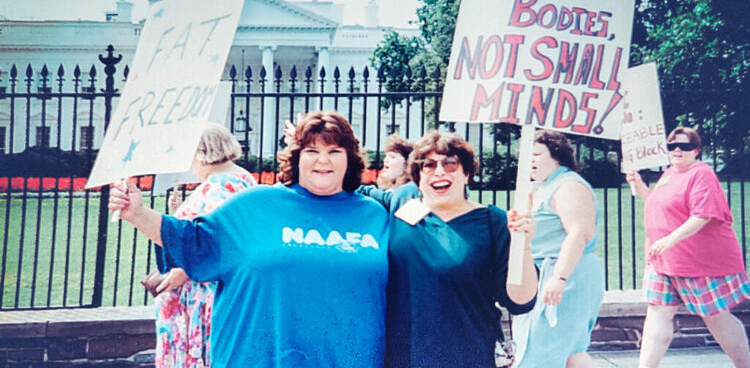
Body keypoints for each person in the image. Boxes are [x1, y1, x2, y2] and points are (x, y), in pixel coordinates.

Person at [109, 111, 390, 368]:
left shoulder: (374, 216)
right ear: (297, 156)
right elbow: (191, 241)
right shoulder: (253, 205)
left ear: (350, 158)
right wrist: (136, 212)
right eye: (312, 150)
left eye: (334, 151)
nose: (323, 159)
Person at [359, 130, 538, 367]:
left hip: (469, 355)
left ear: (466, 174)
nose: (439, 171)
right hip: (405, 357)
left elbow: (520, 302)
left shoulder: (493, 222)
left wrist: (523, 246)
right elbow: (341, 187)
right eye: (428, 165)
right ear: (418, 177)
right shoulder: (397, 206)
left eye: (451, 164)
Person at [627, 127, 750, 368]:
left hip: (699, 260)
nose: (677, 151)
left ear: (696, 151)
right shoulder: (670, 174)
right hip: (664, 261)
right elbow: (657, 204)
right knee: (658, 313)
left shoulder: (701, 174)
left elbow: (703, 215)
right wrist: (639, 185)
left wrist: (668, 240)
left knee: (715, 316)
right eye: (672, 146)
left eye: (683, 146)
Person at [151, 123, 256, 368]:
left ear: (202, 153)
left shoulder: (217, 188)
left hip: (203, 291)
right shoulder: (243, 179)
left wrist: (184, 270)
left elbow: (219, 243)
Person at [512, 129, 605, 368]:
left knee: (543, 350)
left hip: (566, 275)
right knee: (568, 352)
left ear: (557, 155)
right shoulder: (542, 187)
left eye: (535, 154)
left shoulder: (568, 185)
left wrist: (559, 277)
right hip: (548, 274)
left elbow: (578, 233)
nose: (528, 160)